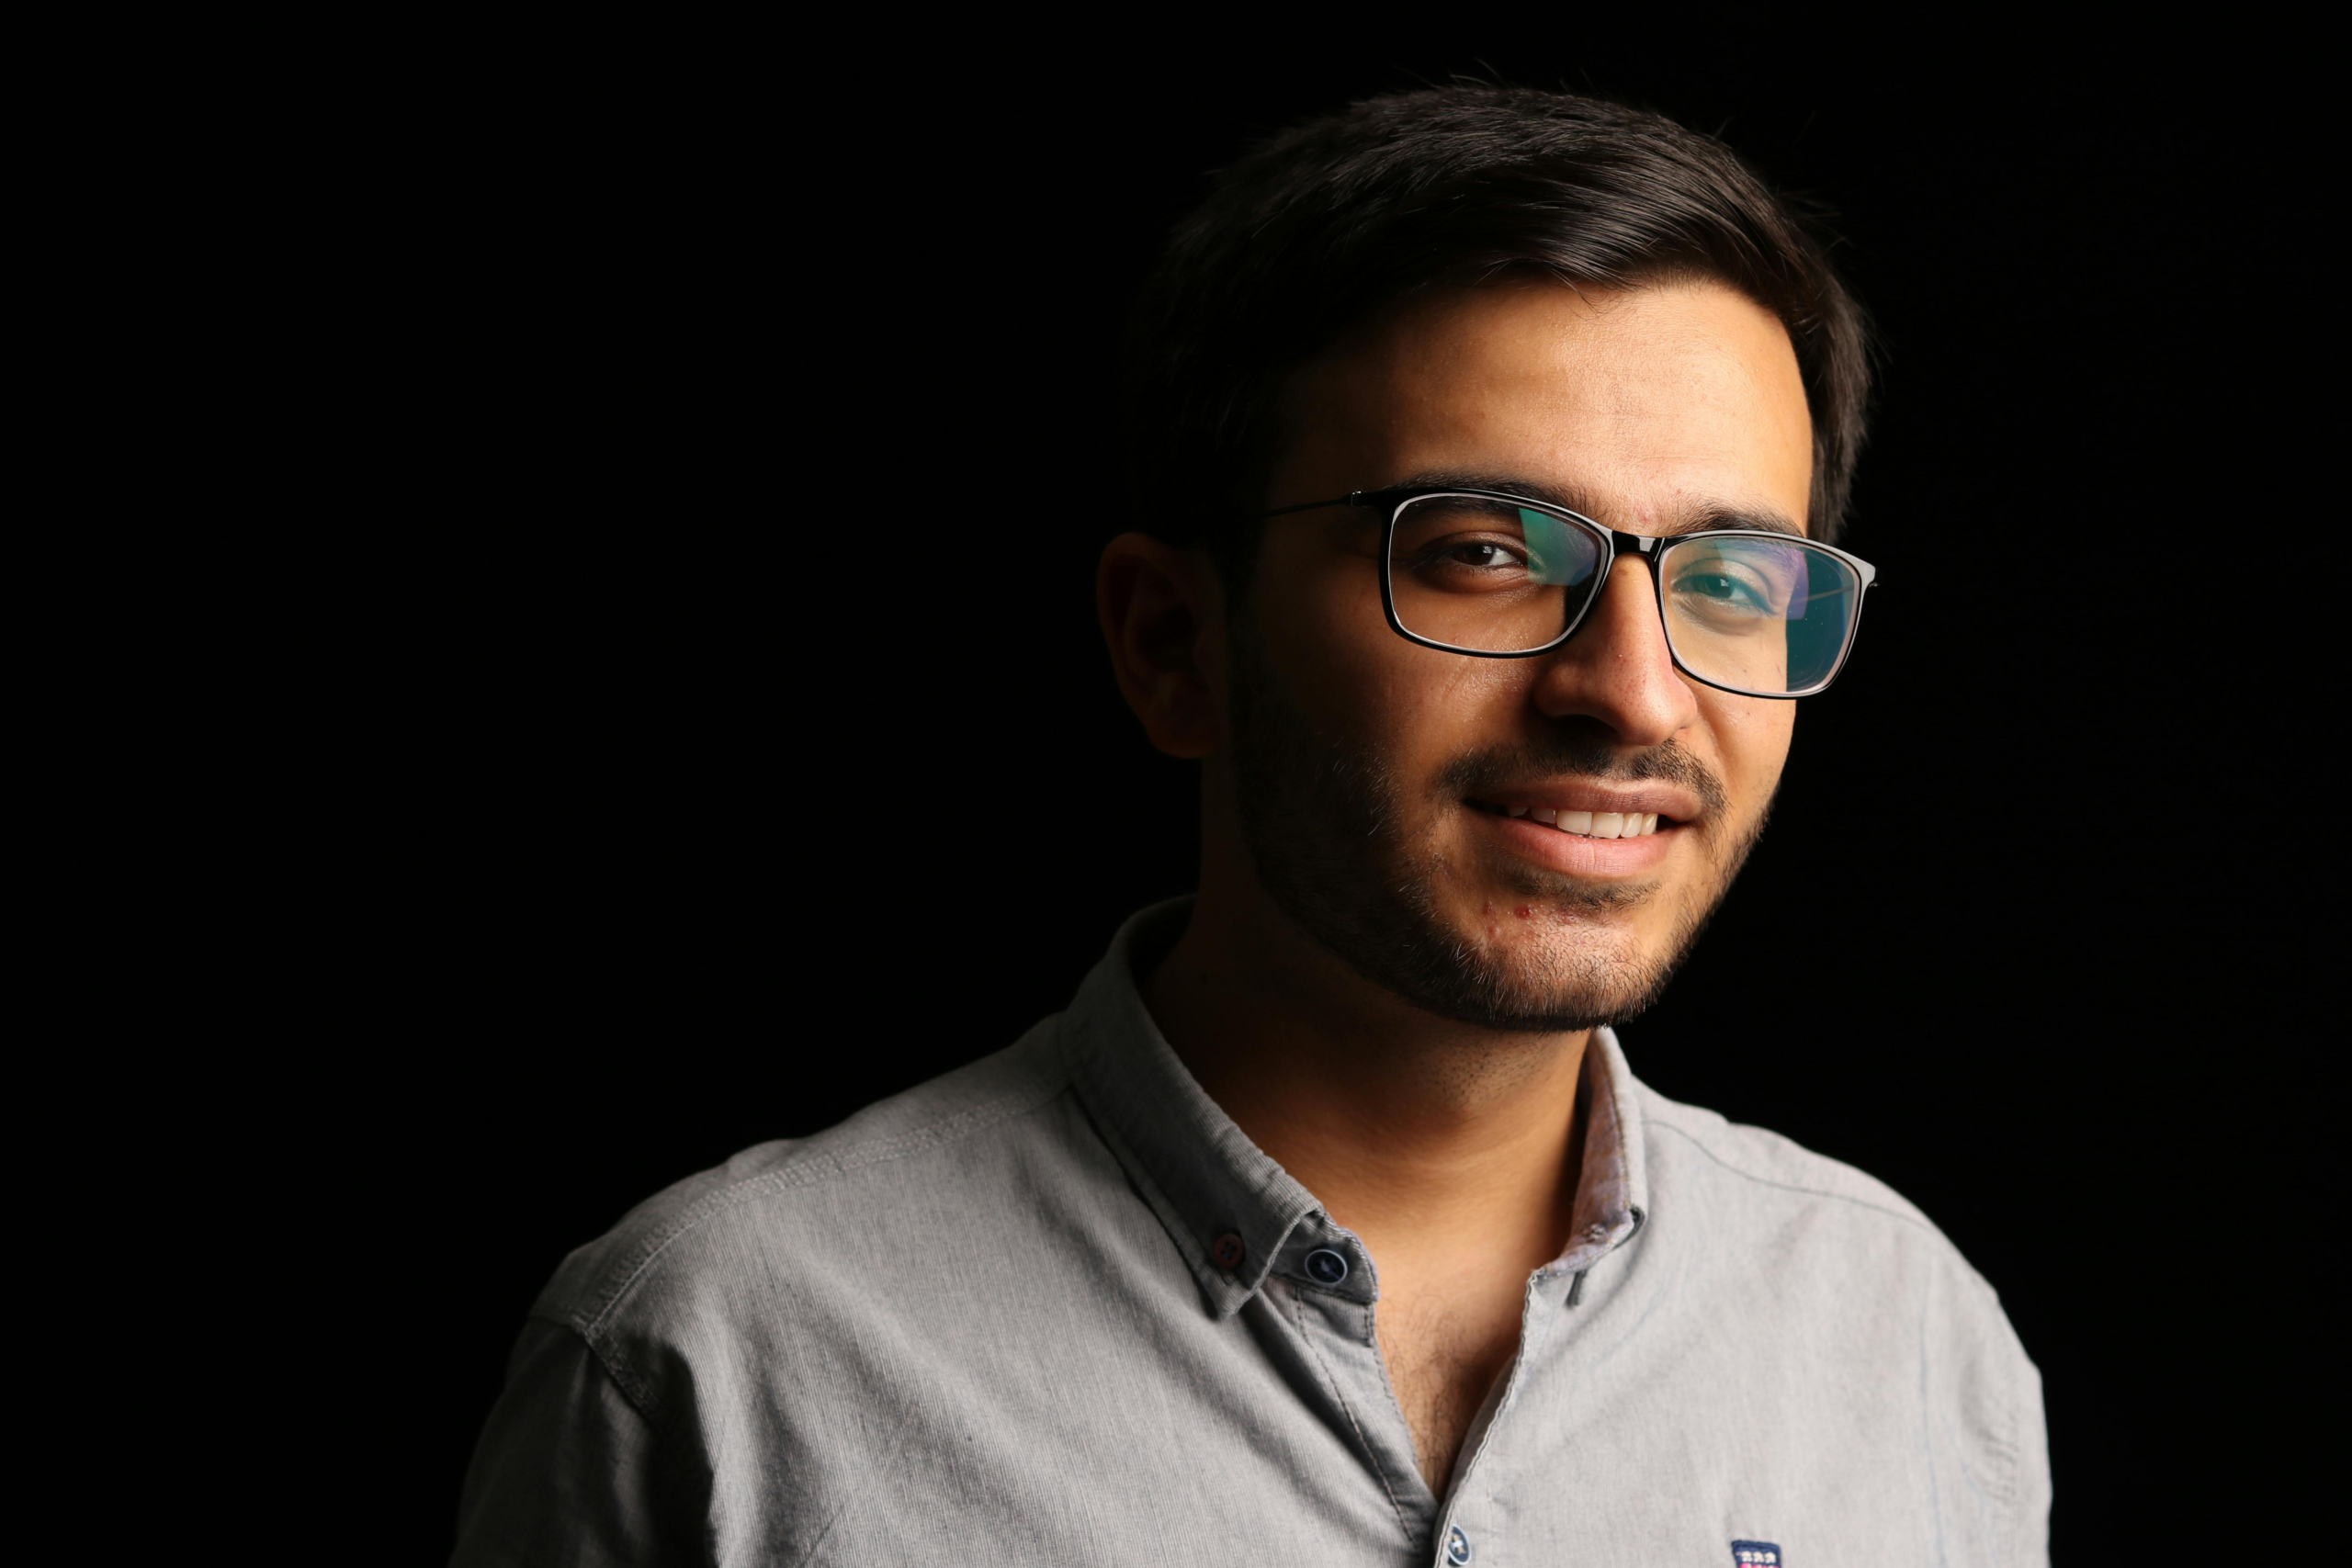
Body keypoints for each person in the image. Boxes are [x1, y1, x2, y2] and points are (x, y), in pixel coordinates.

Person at [453, 86, 2048, 1566]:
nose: (1632, 693)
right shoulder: (715, 1371)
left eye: (1731, 581)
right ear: (1173, 642)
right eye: (1485, 552)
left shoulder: (1906, 1340)